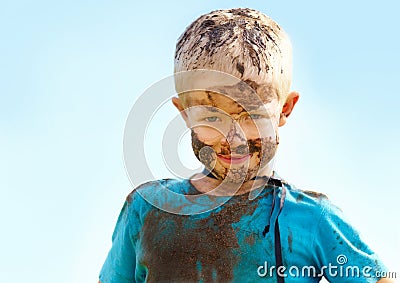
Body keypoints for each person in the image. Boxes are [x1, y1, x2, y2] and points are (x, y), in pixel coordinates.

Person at [99, 8, 393, 282]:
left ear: (285, 110)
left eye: (251, 115)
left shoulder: (313, 219)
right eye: (213, 116)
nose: (234, 138)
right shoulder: (146, 210)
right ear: (185, 114)